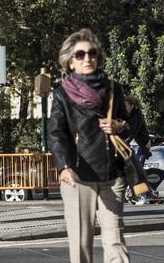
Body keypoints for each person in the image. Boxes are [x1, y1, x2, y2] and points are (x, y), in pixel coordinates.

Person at [48, 29, 133, 263]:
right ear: (70, 62)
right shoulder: (62, 94)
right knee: (81, 244)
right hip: (78, 176)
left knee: (115, 239)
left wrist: (117, 126)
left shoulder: (113, 88)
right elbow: (56, 133)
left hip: (111, 174)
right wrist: (64, 166)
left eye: (92, 53)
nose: (87, 58)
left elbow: (130, 125)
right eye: (80, 54)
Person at [125, 96, 150, 166]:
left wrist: (126, 141)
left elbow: (133, 131)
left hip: (143, 144)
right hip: (135, 144)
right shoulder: (129, 115)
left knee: (138, 167)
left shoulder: (138, 116)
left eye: (126, 106)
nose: (125, 108)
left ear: (132, 106)